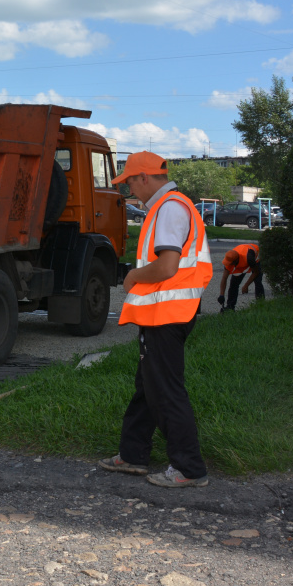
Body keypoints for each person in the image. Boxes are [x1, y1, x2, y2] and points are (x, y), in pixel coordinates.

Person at [97, 151, 214, 488]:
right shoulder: (170, 207)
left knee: (165, 391)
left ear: (145, 177)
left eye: (130, 182)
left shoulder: (169, 208)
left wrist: (134, 276)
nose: (129, 190)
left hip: (168, 314)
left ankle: (189, 468)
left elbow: (167, 267)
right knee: (148, 387)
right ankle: (132, 455)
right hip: (165, 313)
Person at [217, 243, 264, 311]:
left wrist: (246, 285)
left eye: (230, 263)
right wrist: (221, 295)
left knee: (258, 281)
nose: (228, 264)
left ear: (235, 261)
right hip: (241, 262)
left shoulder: (249, 258)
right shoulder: (229, 259)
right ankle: (230, 307)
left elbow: (256, 272)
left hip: (255, 260)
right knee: (233, 285)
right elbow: (224, 278)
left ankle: (261, 304)